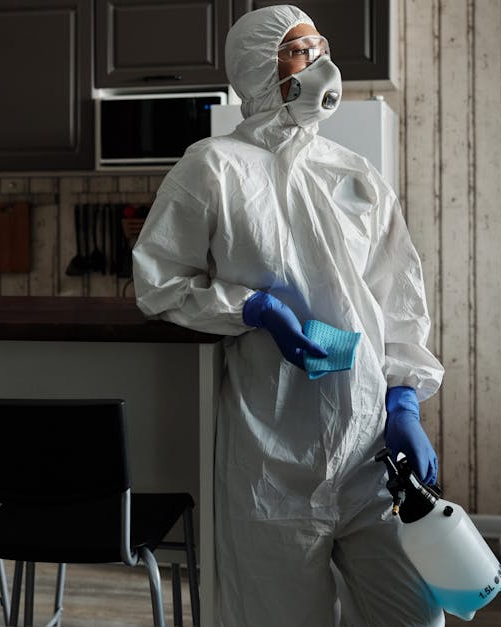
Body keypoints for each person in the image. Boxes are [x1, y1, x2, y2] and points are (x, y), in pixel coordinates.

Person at [132, 5, 445, 626]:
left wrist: (404, 403)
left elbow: (400, 300)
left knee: (416, 616)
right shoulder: (213, 167)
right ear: (258, 69)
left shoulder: (356, 175)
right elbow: (159, 281)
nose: (324, 65)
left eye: (322, 47)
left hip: (370, 449)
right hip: (270, 461)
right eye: (302, 52)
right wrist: (252, 307)